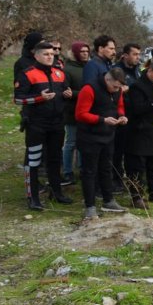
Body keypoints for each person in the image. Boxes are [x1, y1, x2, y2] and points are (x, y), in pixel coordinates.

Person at [14, 42, 74, 210]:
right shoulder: (27, 74)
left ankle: (56, 193)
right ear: (36, 55)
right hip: (36, 123)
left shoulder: (59, 73)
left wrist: (67, 94)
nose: (50, 57)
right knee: (33, 160)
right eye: (46, 54)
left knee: (55, 159)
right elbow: (18, 99)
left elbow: (63, 92)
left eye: (52, 54)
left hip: (56, 123)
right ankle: (32, 197)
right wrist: (38, 98)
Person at [75, 67, 129, 219]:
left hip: (108, 135)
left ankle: (108, 200)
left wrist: (122, 116)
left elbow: (119, 106)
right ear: (107, 79)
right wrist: (102, 119)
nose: (116, 90)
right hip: (89, 137)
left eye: (119, 87)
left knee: (106, 169)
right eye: (114, 87)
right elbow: (80, 114)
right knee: (89, 171)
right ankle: (90, 206)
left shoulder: (117, 90)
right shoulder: (89, 89)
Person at [125, 61, 153, 208]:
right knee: (137, 167)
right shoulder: (137, 87)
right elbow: (137, 109)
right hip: (140, 132)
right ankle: (136, 196)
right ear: (149, 71)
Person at [112, 43, 142, 192]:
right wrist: (123, 90)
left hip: (135, 114)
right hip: (121, 114)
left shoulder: (137, 70)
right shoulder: (117, 70)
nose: (138, 57)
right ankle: (115, 179)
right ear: (125, 55)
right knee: (118, 149)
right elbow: (113, 89)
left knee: (132, 149)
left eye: (139, 54)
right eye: (135, 54)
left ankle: (131, 178)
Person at [61, 42, 89, 186]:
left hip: (88, 112)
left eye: (86, 51)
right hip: (72, 112)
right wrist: (83, 94)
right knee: (71, 143)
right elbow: (66, 92)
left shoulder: (90, 67)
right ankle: (67, 172)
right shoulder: (68, 69)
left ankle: (82, 169)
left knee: (83, 143)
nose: (85, 53)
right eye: (82, 51)